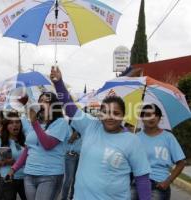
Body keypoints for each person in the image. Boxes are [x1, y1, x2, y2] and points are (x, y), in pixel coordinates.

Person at [50, 67, 152, 200]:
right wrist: (59, 83)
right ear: (100, 114)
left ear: (123, 116)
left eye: (116, 113)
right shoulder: (90, 125)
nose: (110, 117)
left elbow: (142, 179)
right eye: (106, 112)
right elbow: (69, 108)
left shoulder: (132, 141)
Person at [9, 92, 70, 200]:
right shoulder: (36, 123)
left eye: (46, 101)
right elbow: (27, 150)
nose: (42, 103)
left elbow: (48, 144)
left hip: (50, 175)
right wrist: (14, 169)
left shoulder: (61, 123)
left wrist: (34, 122)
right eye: (40, 100)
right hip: (29, 174)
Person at [134, 104, 186, 200]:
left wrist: (167, 182)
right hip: (137, 183)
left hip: (158, 184)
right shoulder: (135, 138)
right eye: (148, 114)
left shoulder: (168, 137)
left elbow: (181, 163)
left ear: (159, 118)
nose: (152, 118)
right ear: (142, 118)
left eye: (155, 114)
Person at [0, 112, 26, 200]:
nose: (15, 125)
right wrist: (6, 162)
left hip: (26, 178)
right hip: (8, 179)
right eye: (11, 123)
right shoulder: (0, 141)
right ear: (6, 126)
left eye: (17, 122)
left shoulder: (24, 140)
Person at [61, 127, 82, 200]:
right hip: (70, 156)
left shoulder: (83, 129)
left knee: (76, 179)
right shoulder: (68, 128)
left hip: (80, 157)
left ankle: (72, 197)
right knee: (68, 179)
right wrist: (75, 133)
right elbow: (69, 141)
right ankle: (63, 198)